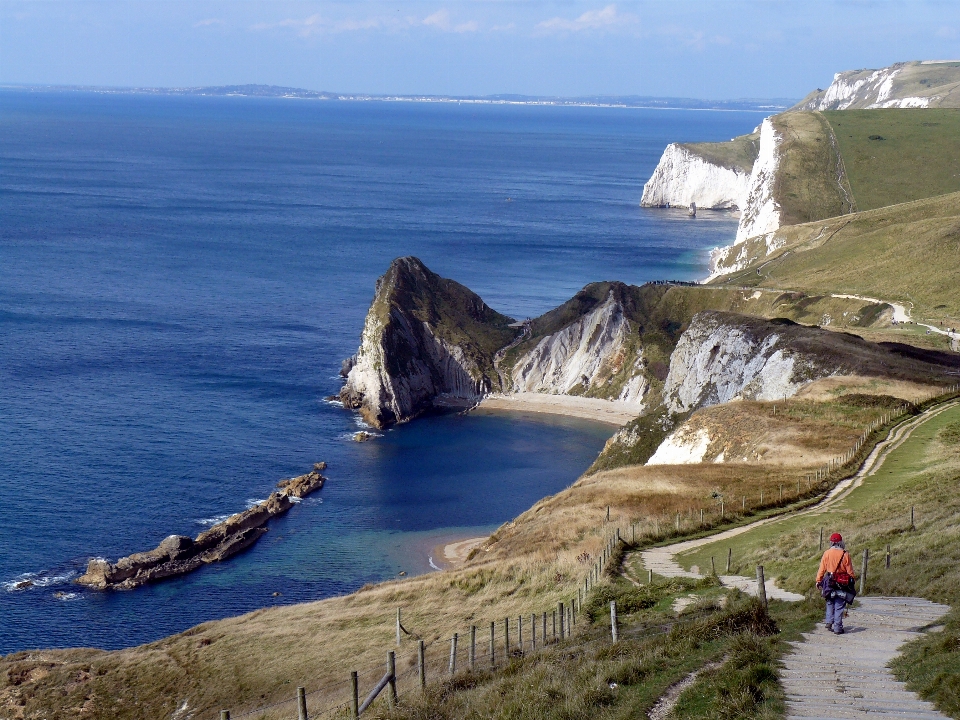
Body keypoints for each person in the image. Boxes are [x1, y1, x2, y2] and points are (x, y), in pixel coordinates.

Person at [816, 533, 856, 634]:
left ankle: (829, 621)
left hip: (829, 580)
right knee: (839, 603)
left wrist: (818, 580)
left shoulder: (827, 553)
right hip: (842, 581)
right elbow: (850, 571)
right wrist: (852, 580)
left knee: (830, 601)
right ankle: (838, 628)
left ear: (831, 542)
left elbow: (822, 568)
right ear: (841, 542)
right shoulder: (845, 554)